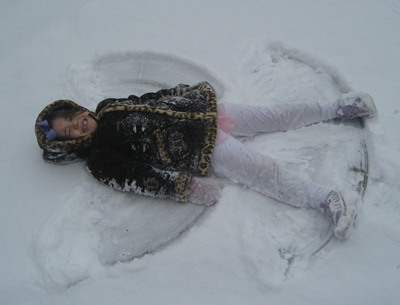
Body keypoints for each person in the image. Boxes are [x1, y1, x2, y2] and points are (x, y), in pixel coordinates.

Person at [35, 82, 377, 239]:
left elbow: (148, 98)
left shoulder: (107, 105)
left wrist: (180, 93)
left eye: (72, 117)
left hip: (206, 113)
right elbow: (137, 177)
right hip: (201, 150)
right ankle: (325, 199)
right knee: (262, 171)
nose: (77, 124)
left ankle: (338, 107)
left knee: (274, 115)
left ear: (77, 108)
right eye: (69, 133)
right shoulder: (99, 160)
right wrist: (186, 188)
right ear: (71, 146)